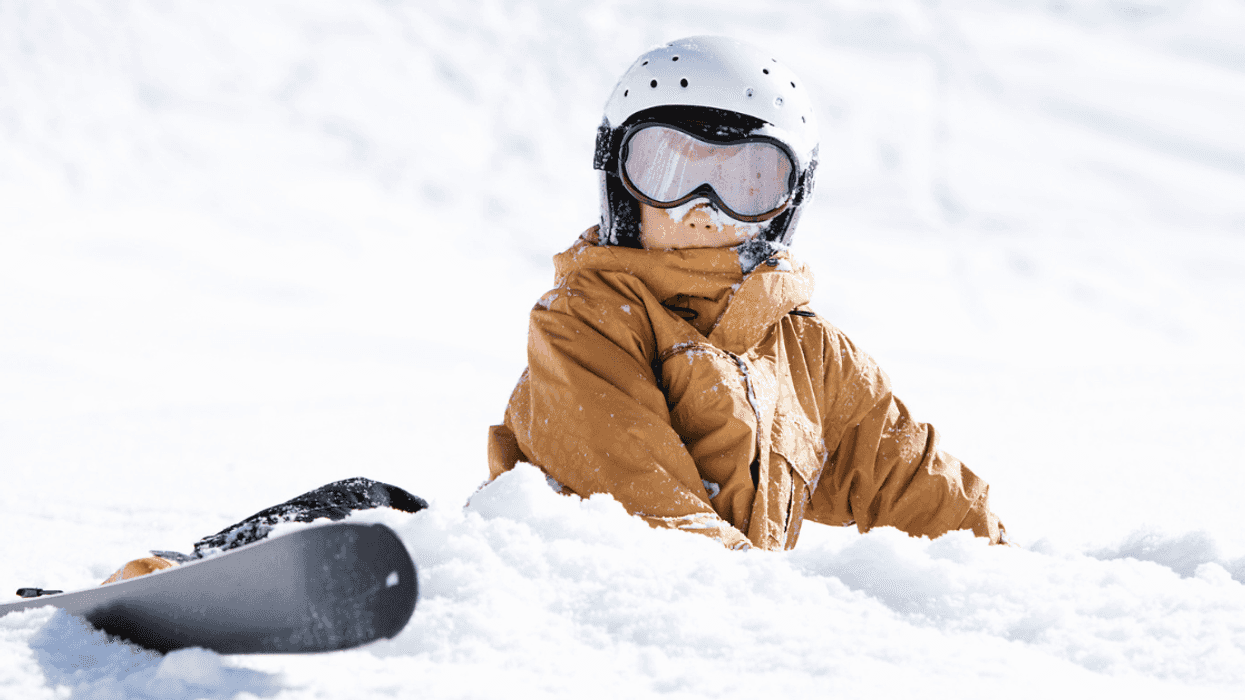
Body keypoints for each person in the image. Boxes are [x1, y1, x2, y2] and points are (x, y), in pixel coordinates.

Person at [486, 36, 1007, 551]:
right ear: (622, 187)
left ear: (785, 203)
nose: (702, 210)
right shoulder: (586, 323)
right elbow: (650, 522)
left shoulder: (809, 355)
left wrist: (1011, 584)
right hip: (596, 613)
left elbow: (917, 485)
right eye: (666, 172)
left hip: (728, 620)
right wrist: (775, 607)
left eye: (745, 182)